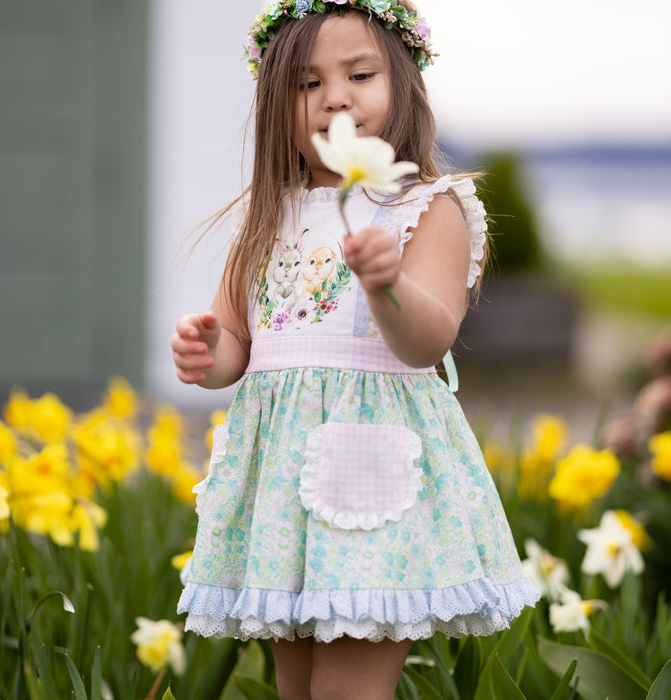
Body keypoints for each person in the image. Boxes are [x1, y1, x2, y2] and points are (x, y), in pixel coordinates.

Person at [172, 2, 540, 698]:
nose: (334, 96)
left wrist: (387, 282)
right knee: (297, 687)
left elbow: (427, 339)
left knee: (348, 690)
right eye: (306, 84)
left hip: (370, 481)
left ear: (404, 83)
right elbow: (236, 348)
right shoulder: (267, 215)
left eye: (359, 74)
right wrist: (205, 350)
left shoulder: (425, 207)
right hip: (280, 494)